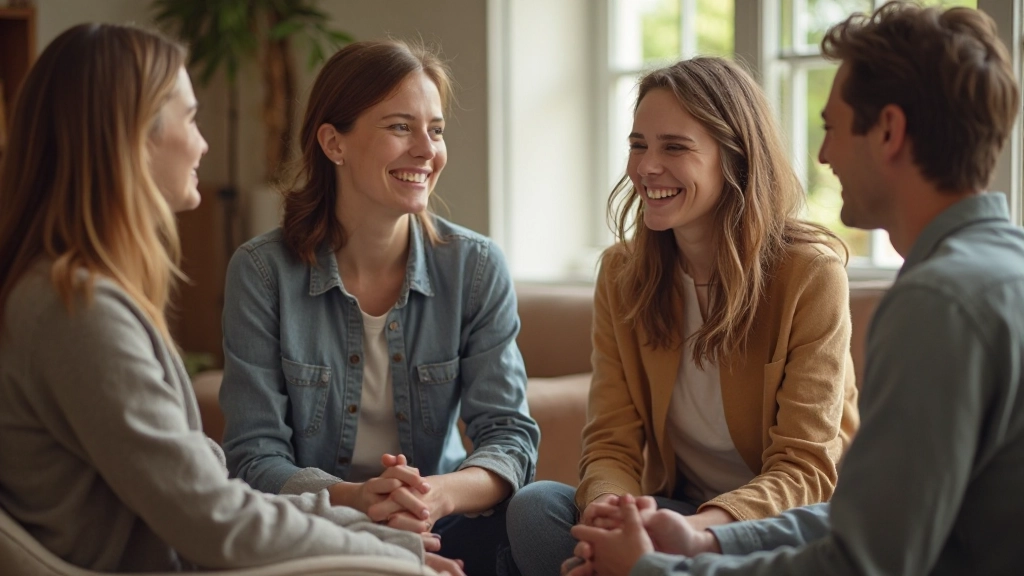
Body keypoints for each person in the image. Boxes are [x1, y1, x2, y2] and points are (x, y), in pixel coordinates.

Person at [565, 2, 1024, 575]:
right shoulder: (992, 272)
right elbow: (874, 521)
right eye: (639, 144)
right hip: (697, 516)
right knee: (542, 511)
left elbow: (859, 559)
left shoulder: (938, 303)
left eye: (831, 128)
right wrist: (698, 544)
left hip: (759, 515)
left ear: (889, 131)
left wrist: (657, 567)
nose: (823, 155)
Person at [0, 23, 464, 574]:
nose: (203, 143)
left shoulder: (74, 296)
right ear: (131, 135)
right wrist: (389, 553)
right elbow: (210, 520)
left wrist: (358, 520)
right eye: (190, 118)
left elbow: (209, 499)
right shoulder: (77, 311)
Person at [505, 56, 860, 576]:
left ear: (734, 158)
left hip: (782, 525)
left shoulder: (810, 274)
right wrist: (613, 514)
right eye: (638, 144)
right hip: (677, 512)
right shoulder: (622, 273)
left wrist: (693, 536)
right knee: (536, 509)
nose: (647, 167)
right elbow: (610, 443)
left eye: (675, 147)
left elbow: (805, 469)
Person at [218, 39, 540, 576]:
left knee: (541, 510)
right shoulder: (262, 271)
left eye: (435, 130)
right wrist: (358, 500)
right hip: (318, 524)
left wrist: (431, 498)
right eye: (399, 127)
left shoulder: (476, 267)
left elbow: (509, 436)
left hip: (438, 519)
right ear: (333, 142)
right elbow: (254, 458)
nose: (426, 150)